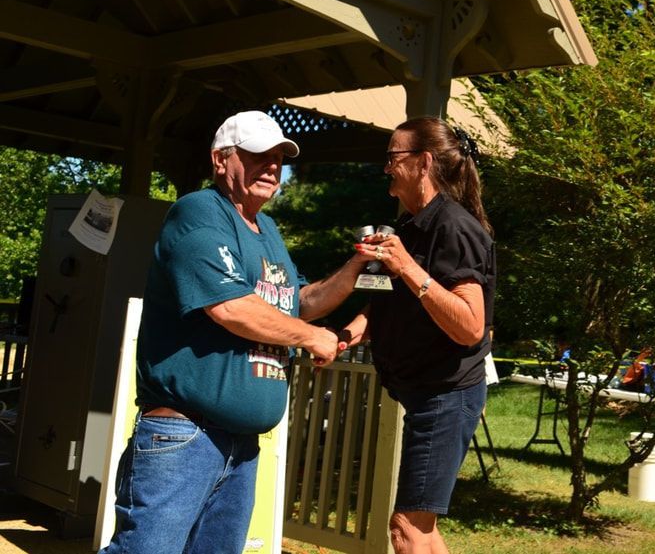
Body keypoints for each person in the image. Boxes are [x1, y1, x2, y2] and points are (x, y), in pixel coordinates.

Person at [101, 111, 369, 554]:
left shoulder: (267, 229)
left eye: (279, 157)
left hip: (241, 445)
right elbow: (230, 307)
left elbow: (299, 302)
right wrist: (310, 337)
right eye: (258, 155)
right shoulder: (199, 212)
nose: (272, 166)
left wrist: (357, 266)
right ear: (221, 160)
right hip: (185, 435)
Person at [338, 117, 495, 554]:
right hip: (423, 392)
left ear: (423, 163)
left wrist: (407, 266)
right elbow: (387, 306)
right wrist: (343, 336)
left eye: (393, 157)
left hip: (447, 394)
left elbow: (470, 325)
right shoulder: (409, 226)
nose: (386, 167)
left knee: (407, 528)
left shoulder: (454, 227)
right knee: (421, 529)